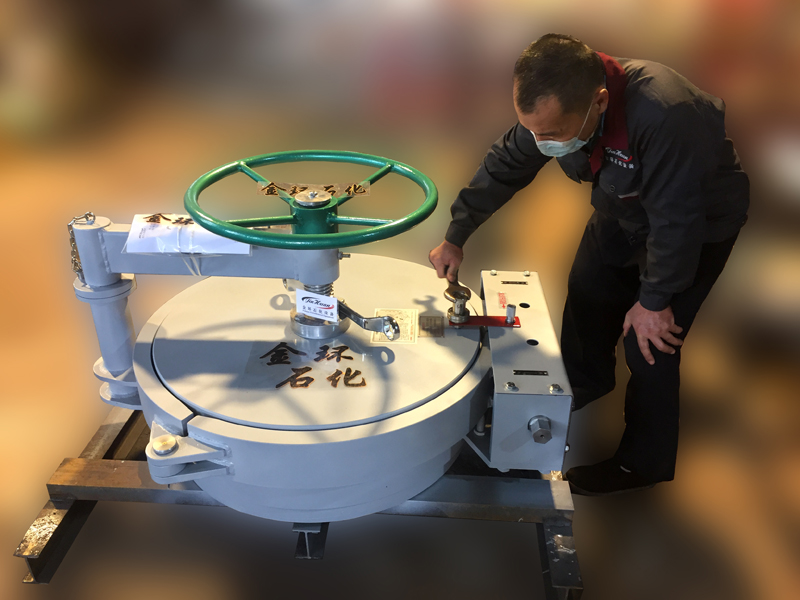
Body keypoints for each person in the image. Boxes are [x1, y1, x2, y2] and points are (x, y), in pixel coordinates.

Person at [428, 34, 749, 495]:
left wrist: (654, 300)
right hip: (624, 207)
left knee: (649, 344)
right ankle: (578, 386)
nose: (541, 143)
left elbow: (677, 220)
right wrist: (456, 235)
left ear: (599, 101)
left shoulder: (667, 114)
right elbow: (506, 163)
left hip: (697, 224)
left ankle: (641, 464)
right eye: (534, 131)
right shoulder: (559, 106)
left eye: (553, 134)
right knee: (588, 291)